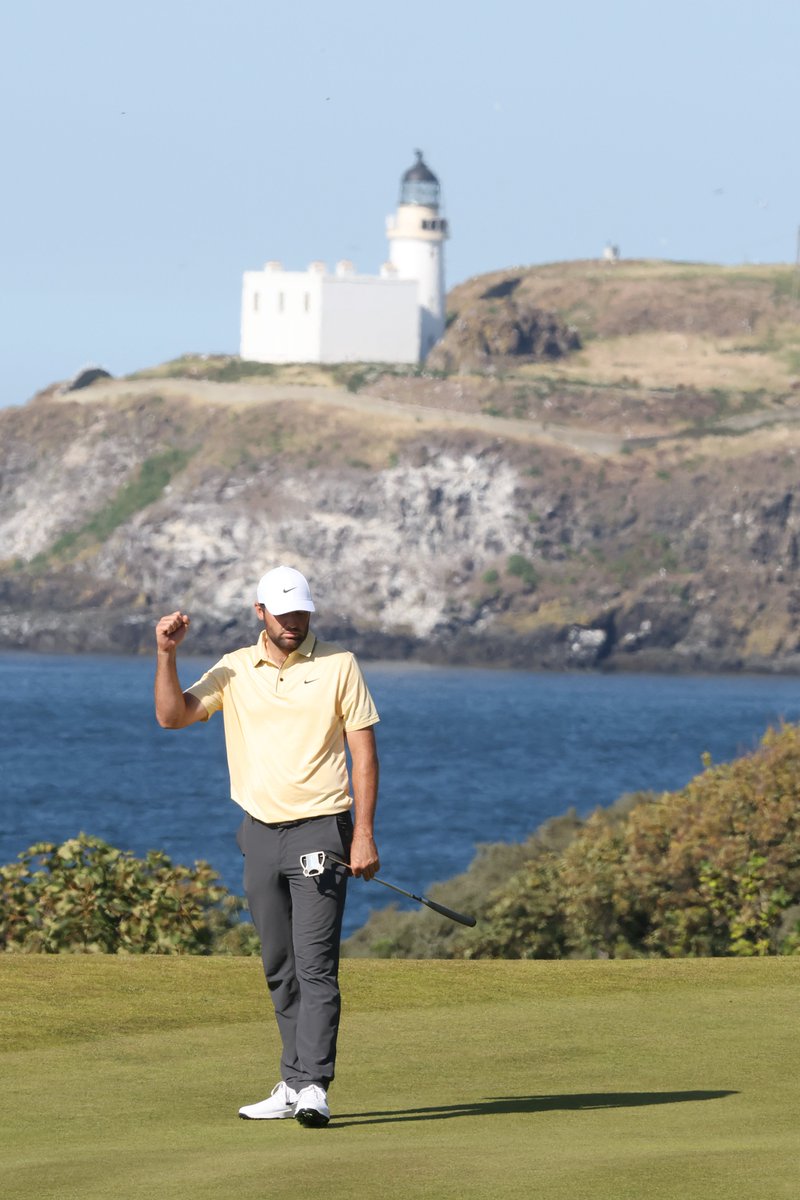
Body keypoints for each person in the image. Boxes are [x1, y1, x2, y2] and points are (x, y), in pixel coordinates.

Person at [154, 565, 380, 1129]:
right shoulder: (235, 668)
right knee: (279, 965)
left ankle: (314, 1087)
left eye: (301, 613)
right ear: (261, 613)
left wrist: (366, 833)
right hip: (259, 834)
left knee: (316, 966)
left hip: (321, 832)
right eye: (283, 615)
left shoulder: (338, 665)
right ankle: (292, 1078)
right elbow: (171, 716)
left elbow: (364, 754)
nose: (293, 624)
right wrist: (166, 654)